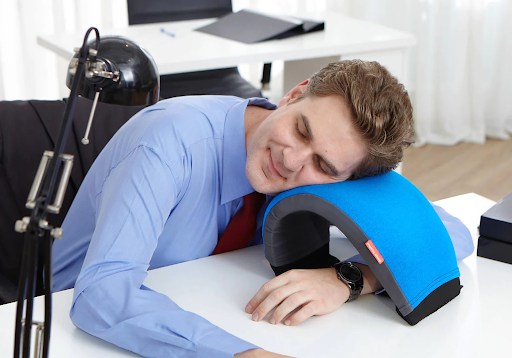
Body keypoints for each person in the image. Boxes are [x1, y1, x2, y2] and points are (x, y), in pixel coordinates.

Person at [52, 60, 473, 358]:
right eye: (300, 129)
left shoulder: (345, 168)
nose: (292, 160)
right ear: (294, 95)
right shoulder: (167, 142)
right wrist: (243, 355)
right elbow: (102, 293)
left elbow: (450, 232)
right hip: (67, 328)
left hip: (211, 303)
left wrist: (349, 279)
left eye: (323, 165)